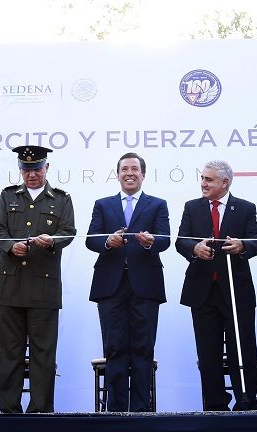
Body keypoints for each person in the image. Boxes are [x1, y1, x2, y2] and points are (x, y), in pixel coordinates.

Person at [0, 145, 76, 413]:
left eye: (37, 169)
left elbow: (69, 231)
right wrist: (10, 246)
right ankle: (9, 412)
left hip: (44, 287)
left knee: (43, 355)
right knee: (8, 354)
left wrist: (52, 241)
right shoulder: (7, 196)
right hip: (9, 286)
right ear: (20, 170)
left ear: (46, 168)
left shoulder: (61, 199)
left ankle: (40, 412)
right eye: (26, 170)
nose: (32, 175)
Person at [175, 160, 257, 411]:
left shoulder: (245, 208)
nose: (203, 183)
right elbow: (181, 240)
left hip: (237, 291)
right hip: (202, 291)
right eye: (202, 178)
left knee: (242, 347)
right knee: (208, 353)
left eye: (209, 179)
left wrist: (242, 246)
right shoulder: (191, 207)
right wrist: (194, 248)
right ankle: (214, 405)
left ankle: (246, 401)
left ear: (224, 182)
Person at [86, 153, 170, 412]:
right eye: (125, 169)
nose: (130, 173)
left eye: (135, 169)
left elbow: (165, 240)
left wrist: (150, 242)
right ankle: (117, 412)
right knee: (115, 349)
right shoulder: (103, 204)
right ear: (118, 174)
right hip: (110, 286)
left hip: (145, 285)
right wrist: (107, 242)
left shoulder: (157, 204)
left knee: (143, 350)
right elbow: (91, 239)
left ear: (143, 175)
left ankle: (142, 412)